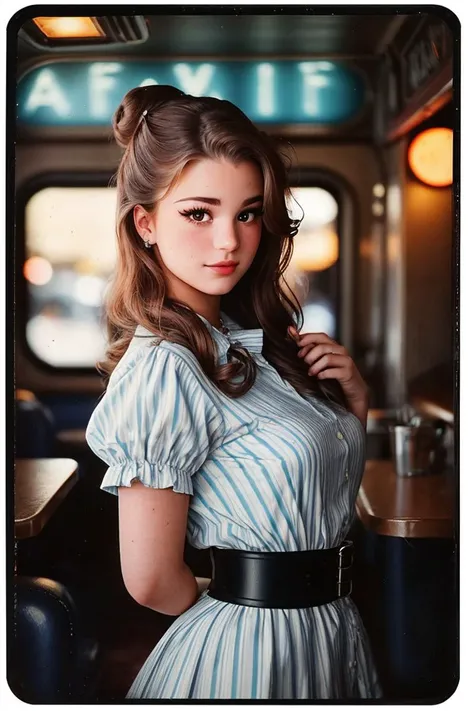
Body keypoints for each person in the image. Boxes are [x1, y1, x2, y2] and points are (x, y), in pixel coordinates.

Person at [85, 84, 382, 700]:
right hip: (252, 651)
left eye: (247, 213)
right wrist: (256, 599)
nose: (229, 241)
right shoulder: (166, 367)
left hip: (330, 629)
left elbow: (319, 507)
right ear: (146, 222)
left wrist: (353, 404)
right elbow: (150, 581)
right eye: (199, 213)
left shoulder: (251, 345)